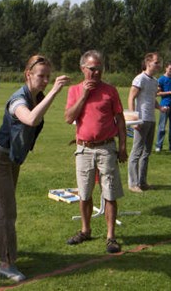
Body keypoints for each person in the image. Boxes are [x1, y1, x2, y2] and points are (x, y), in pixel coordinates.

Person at [0, 56, 70, 282]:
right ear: (28, 74)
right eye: (41, 75)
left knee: (3, 198)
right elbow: (30, 119)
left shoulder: (36, 96)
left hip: (13, 156)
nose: (46, 80)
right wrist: (55, 92)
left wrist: (47, 94)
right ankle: (6, 263)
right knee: (8, 210)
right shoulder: (18, 100)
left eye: (48, 76)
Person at [65, 50, 127, 254]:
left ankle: (111, 237)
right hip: (83, 149)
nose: (96, 73)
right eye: (92, 69)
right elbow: (69, 117)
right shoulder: (74, 90)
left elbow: (120, 120)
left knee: (109, 193)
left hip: (107, 148)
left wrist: (123, 147)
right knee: (84, 193)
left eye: (100, 69)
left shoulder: (110, 90)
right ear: (83, 69)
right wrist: (84, 94)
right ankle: (85, 230)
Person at [127, 52, 166, 192]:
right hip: (141, 120)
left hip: (151, 119)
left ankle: (142, 182)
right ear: (148, 62)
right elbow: (131, 97)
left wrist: (160, 107)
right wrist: (134, 119)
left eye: (159, 62)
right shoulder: (140, 79)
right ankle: (133, 183)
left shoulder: (154, 81)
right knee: (136, 152)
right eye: (156, 62)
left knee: (146, 152)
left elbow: (151, 98)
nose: (159, 65)